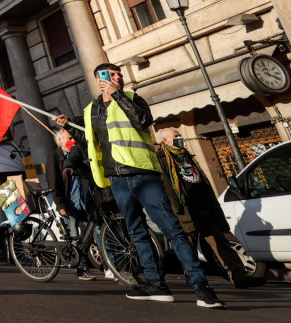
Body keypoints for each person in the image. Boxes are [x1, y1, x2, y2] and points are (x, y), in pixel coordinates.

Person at [59, 63, 223, 308]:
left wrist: (117, 93)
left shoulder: (134, 99)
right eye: (111, 75)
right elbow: (92, 141)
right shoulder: (91, 110)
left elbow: (143, 120)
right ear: (98, 79)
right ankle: (157, 284)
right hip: (115, 178)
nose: (118, 78)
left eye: (119, 75)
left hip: (144, 173)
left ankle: (202, 288)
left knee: (172, 229)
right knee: (136, 231)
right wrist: (68, 126)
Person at [155, 128, 251, 289]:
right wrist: (177, 210)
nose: (180, 138)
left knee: (220, 242)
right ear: (165, 141)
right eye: (176, 136)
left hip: (204, 207)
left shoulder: (187, 155)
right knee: (188, 246)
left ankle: (239, 275)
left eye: (180, 135)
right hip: (186, 211)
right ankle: (194, 277)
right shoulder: (162, 159)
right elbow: (167, 187)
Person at [46, 126, 95, 280]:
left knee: (95, 231)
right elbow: (54, 184)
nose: (73, 141)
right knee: (75, 236)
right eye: (69, 139)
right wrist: (60, 205)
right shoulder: (55, 157)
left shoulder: (78, 154)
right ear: (61, 142)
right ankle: (82, 269)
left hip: (85, 200)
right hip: (70, 203)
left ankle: (107, 266)